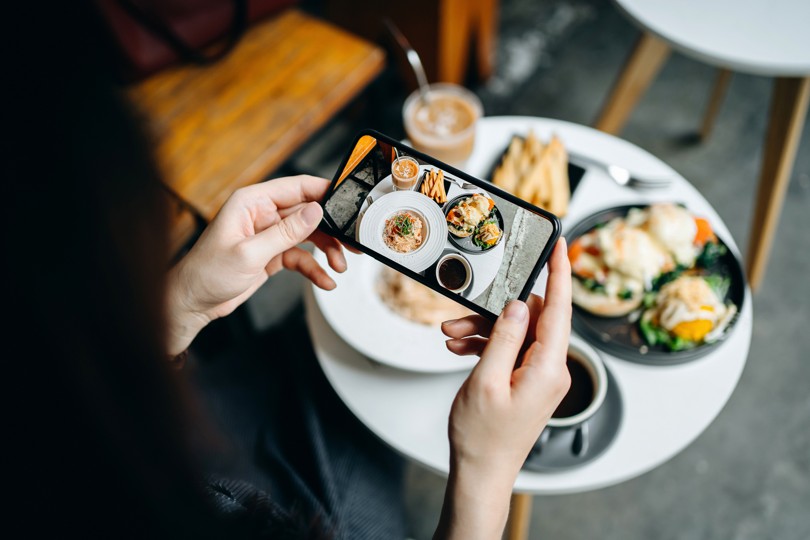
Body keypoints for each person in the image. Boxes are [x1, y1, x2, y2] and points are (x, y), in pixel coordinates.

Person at [8, 3, 572, 538]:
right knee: (351, 411)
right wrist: (484, 474)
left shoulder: (53, 425)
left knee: (305, 350)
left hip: (159, 428)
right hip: (277, 505)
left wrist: (179, 307)